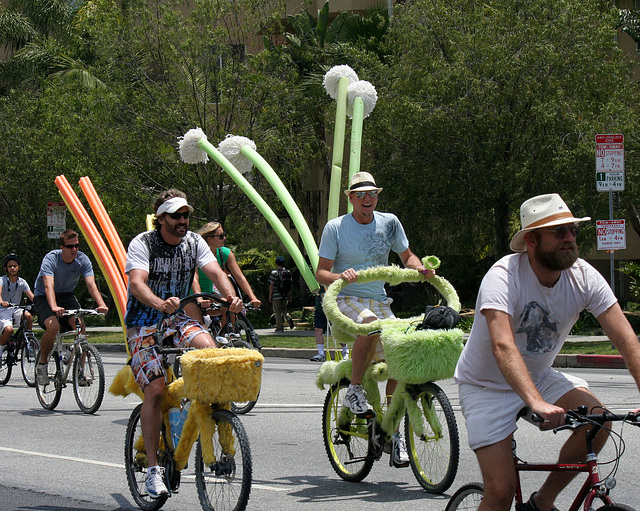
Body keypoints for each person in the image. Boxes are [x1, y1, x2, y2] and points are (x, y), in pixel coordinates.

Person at [454, 193, 640, 511]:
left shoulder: (584, 277)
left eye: (572, 230)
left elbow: (626, 341)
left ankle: (543, 502)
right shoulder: (503, 277)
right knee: (500, 491)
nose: (569, 237)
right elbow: (503, 344)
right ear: (532, 240)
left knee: (598, 420)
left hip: (538, 377)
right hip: (486, 386)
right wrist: (535, 402)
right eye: (559, 231)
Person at [125, 189, 242, 499]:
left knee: (212, 353)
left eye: (186, 215)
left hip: (176, 319)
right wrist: (158, 303)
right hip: (144, 322)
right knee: (155, 390)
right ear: (161, 218)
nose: (183, 221)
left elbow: (216, 272)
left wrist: (229, 298)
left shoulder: (193, 242)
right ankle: (152, 471)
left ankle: (214, 421)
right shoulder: (143, 243)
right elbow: (137, 283)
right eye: (176, 216)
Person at [315, 171, 435, 468]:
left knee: (401, 349)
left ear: (377, 197)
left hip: (379, 300)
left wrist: (420, 268)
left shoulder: (389, 222)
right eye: (361, 194)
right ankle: (354, 391)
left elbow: (408, 256)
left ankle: (393, 429)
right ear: (351, 199)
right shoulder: (336, 228)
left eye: (372, 194)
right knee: (370, 324)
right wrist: (340, 276)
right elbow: (321, 273)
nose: (367, 198)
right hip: (345, 298)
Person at [33, 230, 109, 385]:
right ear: (62, 247)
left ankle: (80, 372)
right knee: (53, 326)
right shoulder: (51, 259)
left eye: (77, 246)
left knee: (80, 327)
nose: (74, 249)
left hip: (66, 295)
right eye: (70, 247)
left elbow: (91, 285)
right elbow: (48, 285)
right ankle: (42, 365)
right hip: (44, 296)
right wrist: (54, 306)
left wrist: (101, 304)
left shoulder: (82, 260)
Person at [187, 221, 261, 323]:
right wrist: (199, 298)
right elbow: (194, 277)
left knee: (231, 309)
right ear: (209, 239)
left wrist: (253, 298)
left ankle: (228, 335)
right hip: (192, 295)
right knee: (198, 326)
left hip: (210, 294)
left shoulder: (225, 253)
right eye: (221, 236)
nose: (224, 238)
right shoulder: (196, 253)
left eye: (224, 235)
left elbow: (240, 277)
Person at [0, 253, 35, 362]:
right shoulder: (2, 280)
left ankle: (28, 344)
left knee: (28, 316)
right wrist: (1, 301)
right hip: (4, 309)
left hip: (17, 308)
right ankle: (0, 351)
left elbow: (32, 296)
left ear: (19, 267)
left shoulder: (22, 282)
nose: (12, 268)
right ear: (6, 268)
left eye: (15, 266)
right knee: (9, 330)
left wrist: (40, 304)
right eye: (10, 266)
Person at [310, 287, 348, 362]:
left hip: (333, 308)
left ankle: (345, 351)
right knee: (318, 329)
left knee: (338, 329)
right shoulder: (317, 283)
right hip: (320, 308)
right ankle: (321, 354)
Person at [269, 255, 294, 332]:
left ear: (276, 263)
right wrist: (290, 295)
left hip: (276, 295)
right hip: (285, 295)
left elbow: (271, 284)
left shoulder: (274, 272)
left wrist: (270, 295)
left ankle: (280, 327)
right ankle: (288, 317)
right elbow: (290, 284)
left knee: (277, 311)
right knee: (284, 309)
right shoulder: (288, 272)